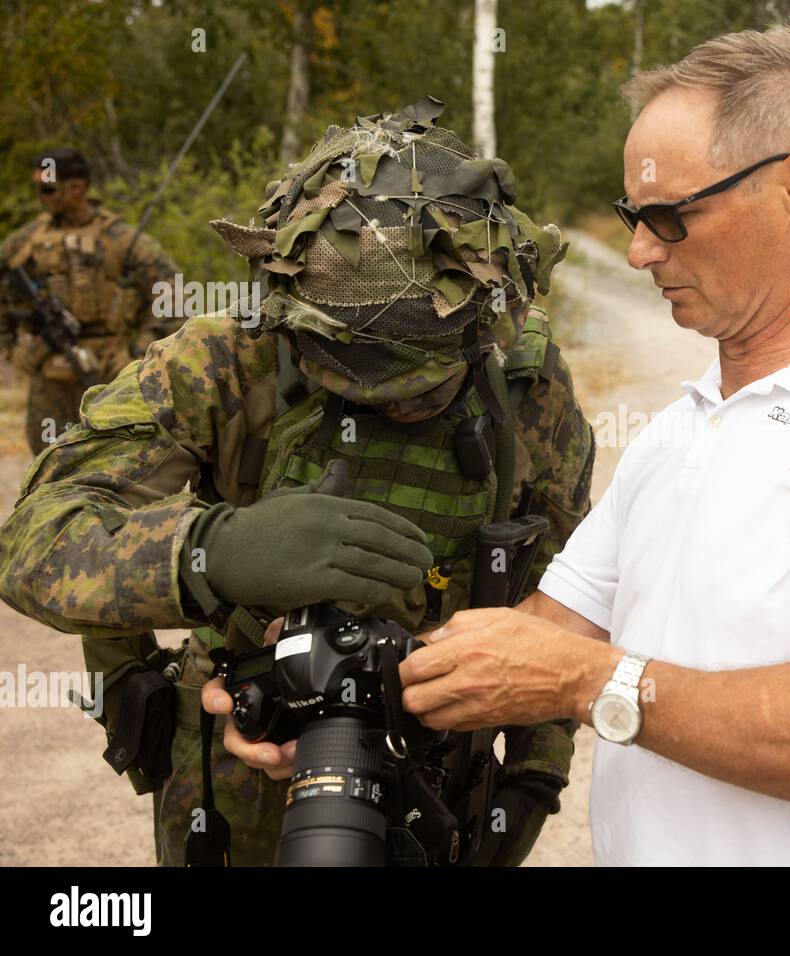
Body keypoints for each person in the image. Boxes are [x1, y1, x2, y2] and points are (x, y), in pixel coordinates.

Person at [387, 28, 790, 866]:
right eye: (631, 218)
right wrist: (330, 698)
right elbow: (536, 636)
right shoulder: (680, 429)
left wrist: (590, 682)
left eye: (670, 216)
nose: (642, 250)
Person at [0, 97, 596, 867]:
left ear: (481, 320)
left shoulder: (522, 380)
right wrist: (211, 553)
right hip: (241, 767)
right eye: (351, 381)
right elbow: (34, 538)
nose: (389, 408)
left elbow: (568, 589)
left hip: (442, 771)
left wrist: (534, 774)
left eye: (419, 392)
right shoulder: (227, 358)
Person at [0, 148, 180, 454]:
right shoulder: (25, 241)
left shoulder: (120, 239)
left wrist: (145, 351)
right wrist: (11, 345)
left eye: (48, 189)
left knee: (112, 456)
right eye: (37, 189)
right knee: (48, 460)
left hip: (110, 370)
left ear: (77, 188)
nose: (40, 197)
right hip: (49, 373)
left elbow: (173, 293)